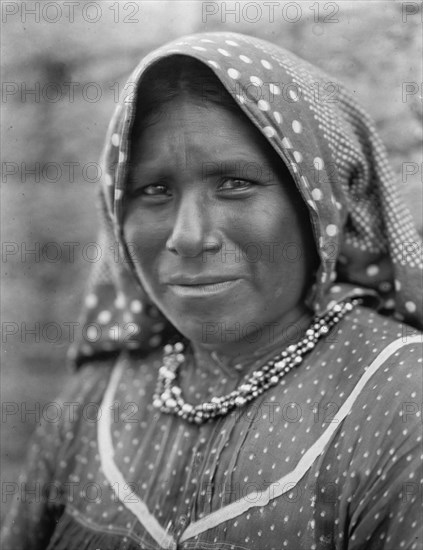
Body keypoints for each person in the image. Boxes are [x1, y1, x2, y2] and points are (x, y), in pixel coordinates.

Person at [1, 31, 422, 550]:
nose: (189, 237)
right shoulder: (95, 399)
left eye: (234, 183)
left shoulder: (400, 399)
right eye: (153, 190)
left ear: (321, 204)